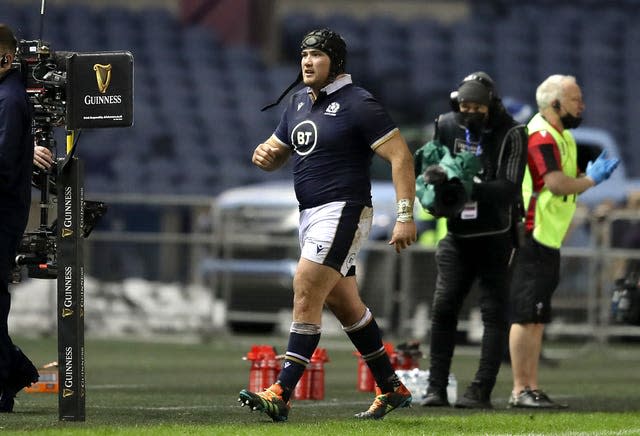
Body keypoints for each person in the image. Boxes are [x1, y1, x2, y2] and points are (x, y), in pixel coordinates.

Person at [237, 28, 417, 421]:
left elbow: (402, 157)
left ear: (335, 63)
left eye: (317, 55)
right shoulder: (298, 101)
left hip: (344, 209)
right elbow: (280, 150)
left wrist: (405, 216)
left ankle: (281, 391)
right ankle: (391, 387)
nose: (306, 61)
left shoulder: (359, 102)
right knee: (344, 303)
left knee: (305, 285)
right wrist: (266, 154)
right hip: (310, 213)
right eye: (304, 55)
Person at [508, 74, 619, 408]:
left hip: (548, 236)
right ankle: (520, 389)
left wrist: (584, 180)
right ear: (555, 103)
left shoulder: (561, 136)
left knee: (536, 316)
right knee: (526, 314)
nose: (581, 105)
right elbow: (556, 184)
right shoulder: (542, 136)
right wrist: (590, 180)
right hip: (533, 234)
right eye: (575, 99)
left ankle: (531, 385)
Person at [421, 72, 528, 409]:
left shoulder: (512, 132)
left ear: (490, 105)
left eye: (477, 107)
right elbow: (431, 163)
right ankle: (435, 388)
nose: (469, 112)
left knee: (493, 314)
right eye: (464, 106)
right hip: (457, 236)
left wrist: (469, 187)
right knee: (443, 307)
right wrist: (434, 184)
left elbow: (509, 188)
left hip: (497, 236)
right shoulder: (447, 124)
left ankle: (480, 390)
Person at [0, 23, 39, 413]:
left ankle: (11, 371)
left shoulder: (9, 100)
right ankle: (10, 371)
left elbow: (4, 164)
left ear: (7, 57)